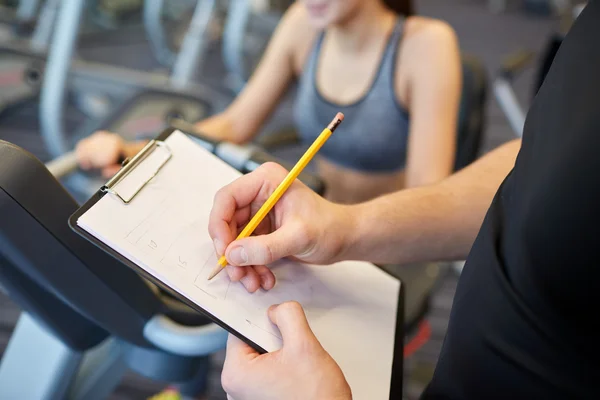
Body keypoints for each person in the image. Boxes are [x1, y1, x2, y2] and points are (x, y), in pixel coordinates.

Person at [208, 1, 600, 398]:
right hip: (329, 232)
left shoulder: (425, 44)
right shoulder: (303, 23)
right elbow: (534, 162)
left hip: (390, 258)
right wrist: (149, 146)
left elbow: (429, 186)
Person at [75, 0, 462, 204]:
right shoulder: (304, 23)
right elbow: (235, 125)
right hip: (315, 214)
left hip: (382, 239)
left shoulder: (426, 45)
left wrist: (342, 230)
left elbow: (428, 195)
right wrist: (135, 151)